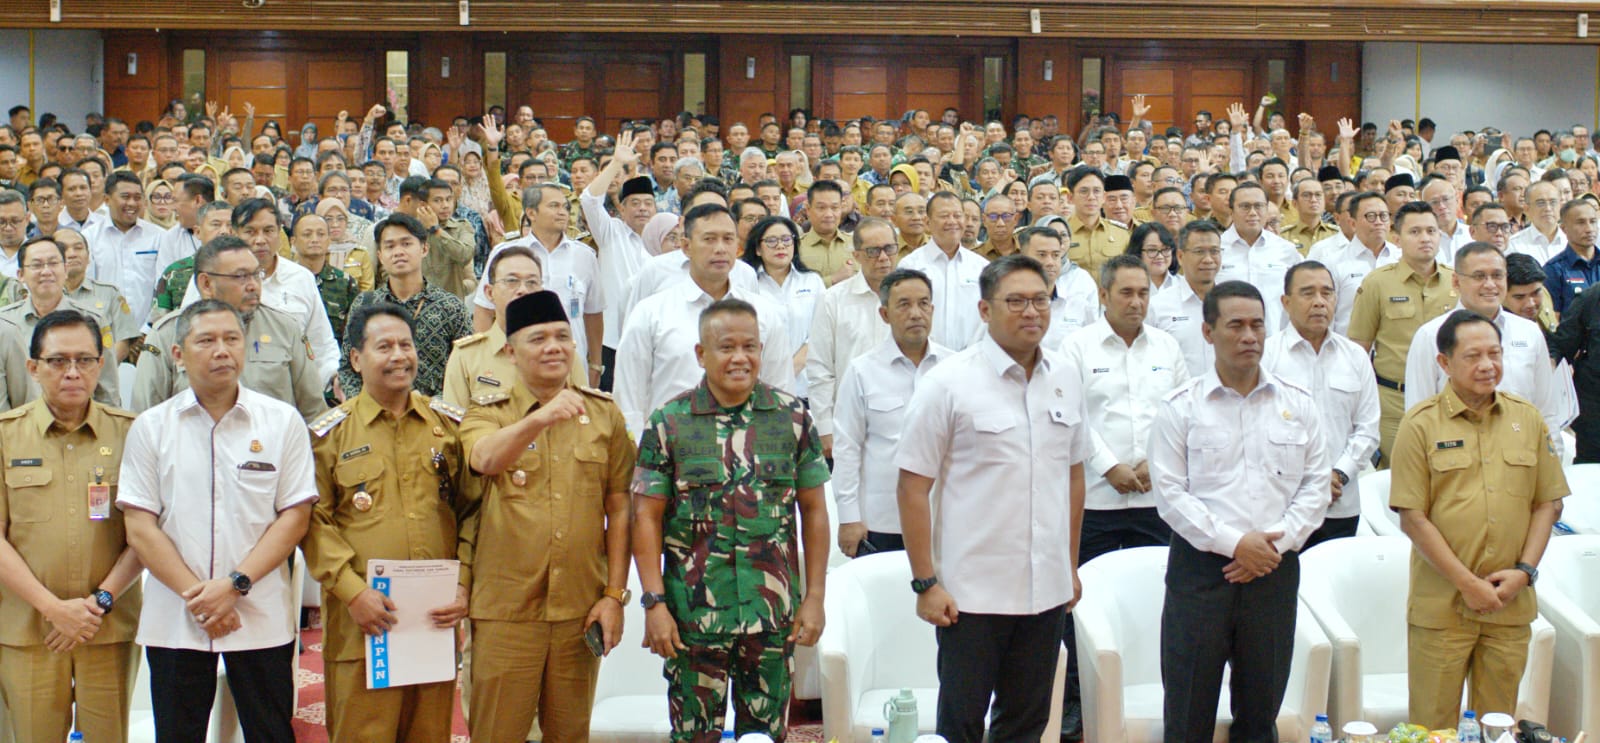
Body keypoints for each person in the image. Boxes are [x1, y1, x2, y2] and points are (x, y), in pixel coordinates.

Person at [896, 248, 1088, 743]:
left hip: (1046, 589)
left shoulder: (1066, 375)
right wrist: (925, 583)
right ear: (985, 309)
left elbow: (1073, 475)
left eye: (1041, 300)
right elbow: (913, 486)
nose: (1031, 312)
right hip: (971, 594)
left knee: (1026, 724)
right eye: (1016, 301)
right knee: (961, 724)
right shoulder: (948, 382)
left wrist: (1068, 565)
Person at [118, 298, 317, 743]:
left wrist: (234, 586)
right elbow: (141, 528)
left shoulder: (281, 422)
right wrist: (202, 599)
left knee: (270, 733)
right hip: (177, 617)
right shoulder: (151, 427)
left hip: (258, 613)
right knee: (177, 734)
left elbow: (294, 517)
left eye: (232, 339)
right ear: (178, 354)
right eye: (206, 340)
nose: (222, 350)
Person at [631, 297, 830, 741]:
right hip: (693, 619)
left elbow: (814, 511)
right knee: (693, 736)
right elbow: (645, 518)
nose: (740, 357)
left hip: (771, 617)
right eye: (726, 347)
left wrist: (815, 596)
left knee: (765, 737)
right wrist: (654, 603)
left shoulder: (792, 417)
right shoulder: (669, 422)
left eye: (750, 346)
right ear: (701, 354)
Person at [1149, 280, 1329, 742]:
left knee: (1260, 711)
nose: (1249, 336)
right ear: (1208, 332)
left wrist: (1272, 546)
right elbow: (1170, 494)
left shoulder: (1298, 403)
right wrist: (1235, 544)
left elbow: (1316, 485)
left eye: (1257, 325)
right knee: (1188, 710)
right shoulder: (1180, 407)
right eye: (1236, 326)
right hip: (1202, 572)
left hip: (1273, 569)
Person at [457, 289, 633, 741]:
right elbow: (484, 458)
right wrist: (540, 418)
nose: (553, 347)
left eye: (562, 337)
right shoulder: (487, 412)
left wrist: (614, 595)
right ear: (511, 352)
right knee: (497, 733)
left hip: (579, 609)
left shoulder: (604, 415)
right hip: (506, 612)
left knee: (569, 733)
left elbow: (619, 506)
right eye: (538, 339)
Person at [302, 302, 476, 742]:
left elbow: (473, 511)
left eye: (406, 345)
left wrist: (464, 584)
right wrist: (353, 591)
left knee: (429, 734)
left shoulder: (447, 427)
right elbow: (312, 521)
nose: (399, 356)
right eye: (384, 347)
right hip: (363, 621)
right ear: (356, 359)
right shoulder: (330, 436)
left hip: (433, 620)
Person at [1391, 310, 1567, 728]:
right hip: (1443, 607)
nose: (1488, 365)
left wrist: (1524, 572)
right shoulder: (1420, 425)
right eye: (1473, 356)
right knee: (1432, 729)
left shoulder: (1528, 418)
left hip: (1509, 604)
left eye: (1495, 353)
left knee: (1497, 727)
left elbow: (1548, 504)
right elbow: (1412, 518)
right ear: (1444, 363)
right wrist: (1467, 583)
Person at [1057, 253, 1187, 735]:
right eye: (1126, 293)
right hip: (1095, 499)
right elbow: (1070, 414)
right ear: (1103, 295)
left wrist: (1157, 460)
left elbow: (1180, 412)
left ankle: (1148, 687)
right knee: (1080, 602)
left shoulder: (1168, 346)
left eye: (1144, 293)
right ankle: (1077, 698)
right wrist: (1108, 465)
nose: (1136, 302)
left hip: (1156, 498)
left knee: (1155, 597)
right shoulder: (1076, 347)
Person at [0, 310, 143, 742]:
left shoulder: (131, 434)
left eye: (84, 360)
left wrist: (99, 603)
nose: (72, 372)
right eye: (58, 361)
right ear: (33, 368)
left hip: (107, 627)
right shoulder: (6, 437)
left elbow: (145, 535)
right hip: (30, 629)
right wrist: (54, 609)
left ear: (101, 365)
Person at [615, 203, 792, 437]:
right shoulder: (651, 313)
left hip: (747, 450)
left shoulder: (764, 313)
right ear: (686, 246)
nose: (720, 248)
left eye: (728, 239)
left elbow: (780, 392)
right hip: (671, 449)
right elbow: (629, 401)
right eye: (709, 239)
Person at [134, 235, 327, 420]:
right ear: (206, 284)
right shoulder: (168, 334)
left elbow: (314, 412)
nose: (253, 286)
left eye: (256, 274)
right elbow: (146, 417)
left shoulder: (284, 328)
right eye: (241, 276)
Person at [1262, 261, 1380, 548]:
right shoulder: (1265, 357)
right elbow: (1256, 430)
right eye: (1308, 293)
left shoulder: (1355, 356)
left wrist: (1338, 475)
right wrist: (1308, 481)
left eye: (1327, 293)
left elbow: (1367, 429)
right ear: (1286, 302)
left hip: (1339, 503)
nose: (1319, 302)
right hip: (1281, 504)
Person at [1405, 243, 1566, 451]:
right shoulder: (1430, 335)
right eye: (1479, 276)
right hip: (1456, 457)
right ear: (1456, 281)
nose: (1490, 285)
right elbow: (1418, 415)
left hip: (1520, 453)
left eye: (1497, 275)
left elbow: (1546, 410)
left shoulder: (1529, 332)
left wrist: (1554, 457)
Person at [834, 268, 948, 556]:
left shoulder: (955, 369)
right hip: (882, 522)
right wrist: (848, 518)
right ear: (884, 314)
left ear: (933, 310)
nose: (915, 314)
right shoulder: (862, 371)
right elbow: (847, 447)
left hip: (945, 520)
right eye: (904, 305)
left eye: (923, 304)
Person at [1347, 201, 1456, 466]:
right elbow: (1358, 349)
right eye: (1415, 232)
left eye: (1431, 231)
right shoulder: (1378, 283)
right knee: (1399, 475)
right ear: (1396, 238)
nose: (1425, 238)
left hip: (1450, 398)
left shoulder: (1456, 282)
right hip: (1395, 402)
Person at [338, 213, 471, 399]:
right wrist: (370, 406)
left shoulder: (450, 307)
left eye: (406, 244)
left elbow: (467, 370)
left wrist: (428, 406)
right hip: (377, 411)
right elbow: (348, 368)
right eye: (390, 246)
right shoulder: (365, 305)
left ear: (424, 248)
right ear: (380, 255)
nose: (398, 252)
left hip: (435, 412)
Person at [806, 216, 897, 457]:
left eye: (889, 248)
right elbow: (820, 368)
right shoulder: (833, 300)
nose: (883, 257)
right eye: (873, 251)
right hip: (849, 422)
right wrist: (824, 426)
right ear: (856, 255)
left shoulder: (912, 299)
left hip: (903, 421)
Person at [0, 236, 122, 405]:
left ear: (65, 270)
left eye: (53, 263)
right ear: (21, 275)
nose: (46, 271)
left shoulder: (92, 320)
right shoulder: (4, 323)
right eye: (36, 265)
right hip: (22, 420)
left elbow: (108, 391)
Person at [579, 129, 654, 391]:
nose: (642, 208)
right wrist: (616, 163)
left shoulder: (665, 243)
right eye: (635, 203)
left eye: (648, 203)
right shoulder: (611, 233)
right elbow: (589, 200)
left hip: (653, 339)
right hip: (611, 339)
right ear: (622, 208)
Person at [746, 216, 824, 401]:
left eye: (786, 239)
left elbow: (821, 331)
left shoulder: (812, 281)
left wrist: (791, 369)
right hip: (761, 386)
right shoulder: (748, 285)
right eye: (771, 241)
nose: (780, 246)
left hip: (808, 386)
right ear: (758, 249)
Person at [899, 192, 986, 350]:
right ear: (927, 222)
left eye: (957, 215)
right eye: (944, 216)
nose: (952, 221)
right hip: (924, 357)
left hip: (973, 358)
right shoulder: (910, 266)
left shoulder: (981, 267)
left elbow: (987, 320)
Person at [86, 171, 162, 328]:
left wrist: (147, 331)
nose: (132, 203)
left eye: (137, 197)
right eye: (125, 197)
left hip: (148, 332)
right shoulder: (89, 238)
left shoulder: (158, 237)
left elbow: (162, 289)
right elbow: (87, 289)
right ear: (107, 200)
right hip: (104, 331)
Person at [1150, 219, 1224, 375]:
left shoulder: (1230, 304)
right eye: (1199, 252)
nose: (1208, 259)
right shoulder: (1157, 306)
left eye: (1214, 251)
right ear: (1180, 256)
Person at [1542, 198, 1600, 318]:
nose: (1589, 229)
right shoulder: (1554, 269)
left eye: (1593, 221)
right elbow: (1553, 318)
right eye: (1581, 223)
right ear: (1564, 229)